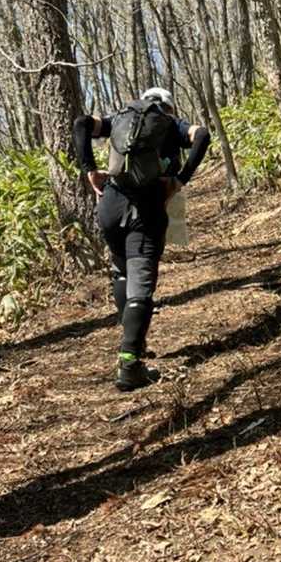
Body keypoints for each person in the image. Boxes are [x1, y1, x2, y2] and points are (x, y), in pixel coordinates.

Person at [74, 88, 211, 391]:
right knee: (141, 284)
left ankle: (134, 341)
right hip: (146, 209)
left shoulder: (119, 119)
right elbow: (202, 135)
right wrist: (180, 180)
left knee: (121, 272)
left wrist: (89, 171)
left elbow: (81, 123)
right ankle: (129, 364)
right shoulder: (171, 125)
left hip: (110, 204)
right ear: (168, 107)